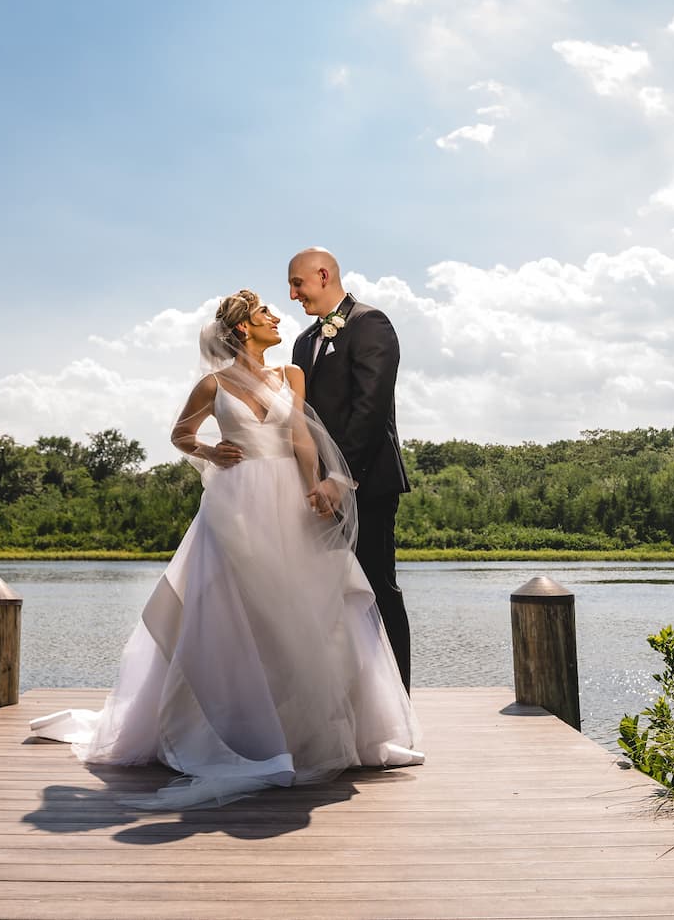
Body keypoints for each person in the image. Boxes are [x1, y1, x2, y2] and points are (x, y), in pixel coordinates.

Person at [28, 289, 422, 809]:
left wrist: (316, 488)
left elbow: (303, 437)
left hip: (288, 496)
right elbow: (180, 434)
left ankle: (308, 731)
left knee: (304, 609)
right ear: (242, 329)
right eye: (264, 314)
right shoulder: (211, 384)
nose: (275, 316)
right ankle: (237, 733)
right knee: (235, 612)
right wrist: (210, 449)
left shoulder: (291, 376)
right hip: (235, 503)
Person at [287, 248, 412, 691]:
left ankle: (399, 703)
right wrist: (312, 482)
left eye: (297, 283)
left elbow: (371, 410)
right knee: (327, 594)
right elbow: (300, 419)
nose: (292, 294)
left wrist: (342, 478)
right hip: (317, 493)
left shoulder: (370, 323)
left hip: (368, 484)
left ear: (322, 275)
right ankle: (346, 699)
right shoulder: (303, 342)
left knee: (377, 589)